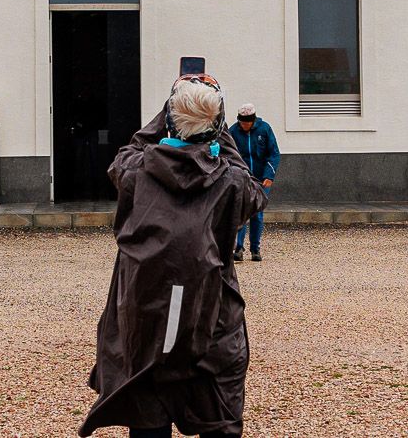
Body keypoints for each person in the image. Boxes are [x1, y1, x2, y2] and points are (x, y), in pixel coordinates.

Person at [80, 74, 267, 438]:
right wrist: (216, 119)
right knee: (218, 414)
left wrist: (172, 105)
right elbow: (251, 186)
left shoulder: (136, 171)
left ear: (169, 120)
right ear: (216, 126)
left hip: (146, 315)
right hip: (211, 315)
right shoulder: (231, 182)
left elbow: (130, 149)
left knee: (148, 409)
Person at [226, 104, 279, 262]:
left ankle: (255, 249)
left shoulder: (265, 129)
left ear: (253, 121)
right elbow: (228, 154)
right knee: (241, 212)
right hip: (241, 178)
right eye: (242, 123)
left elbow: (274, 153)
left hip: (261, 179)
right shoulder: (234, 131)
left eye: (246, 123)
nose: (244, 126)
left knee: (257, 213)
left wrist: (269, 175)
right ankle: (238, 248)